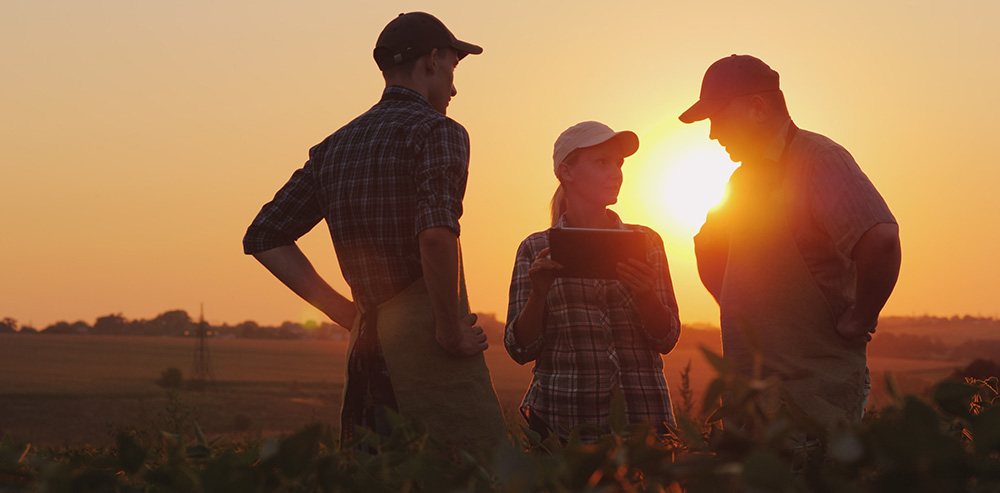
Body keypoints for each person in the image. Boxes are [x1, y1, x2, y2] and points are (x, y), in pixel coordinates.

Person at [242, 12, 506, 451]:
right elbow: (437, 235)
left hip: (366, 360)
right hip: (429, 361)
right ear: (433, 60)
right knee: (462, 472)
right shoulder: (438, 131)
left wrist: (347, 313)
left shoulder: (333, 147)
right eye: (453, 70)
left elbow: (264, 236)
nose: (455, 88)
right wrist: (449, 329)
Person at [678, 54, 901, 431]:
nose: (713, 134)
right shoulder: (741, 182)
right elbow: (707, 249)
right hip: (751, 394)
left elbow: (880, 240)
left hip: (815, 393)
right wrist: (740, 310)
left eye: (718, 118)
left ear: (757, 108)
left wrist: (862, 317)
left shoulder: (820, 161)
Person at [504, 121, 682, 442]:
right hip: (563, 425)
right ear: (566, 172)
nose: (616, 173)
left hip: (643, 423)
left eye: (619, 163)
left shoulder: (647, 242)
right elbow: (519, 349)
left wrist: (644, 294)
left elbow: (666, 338)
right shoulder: (534, 249)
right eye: (602, 162)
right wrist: (538, 294)